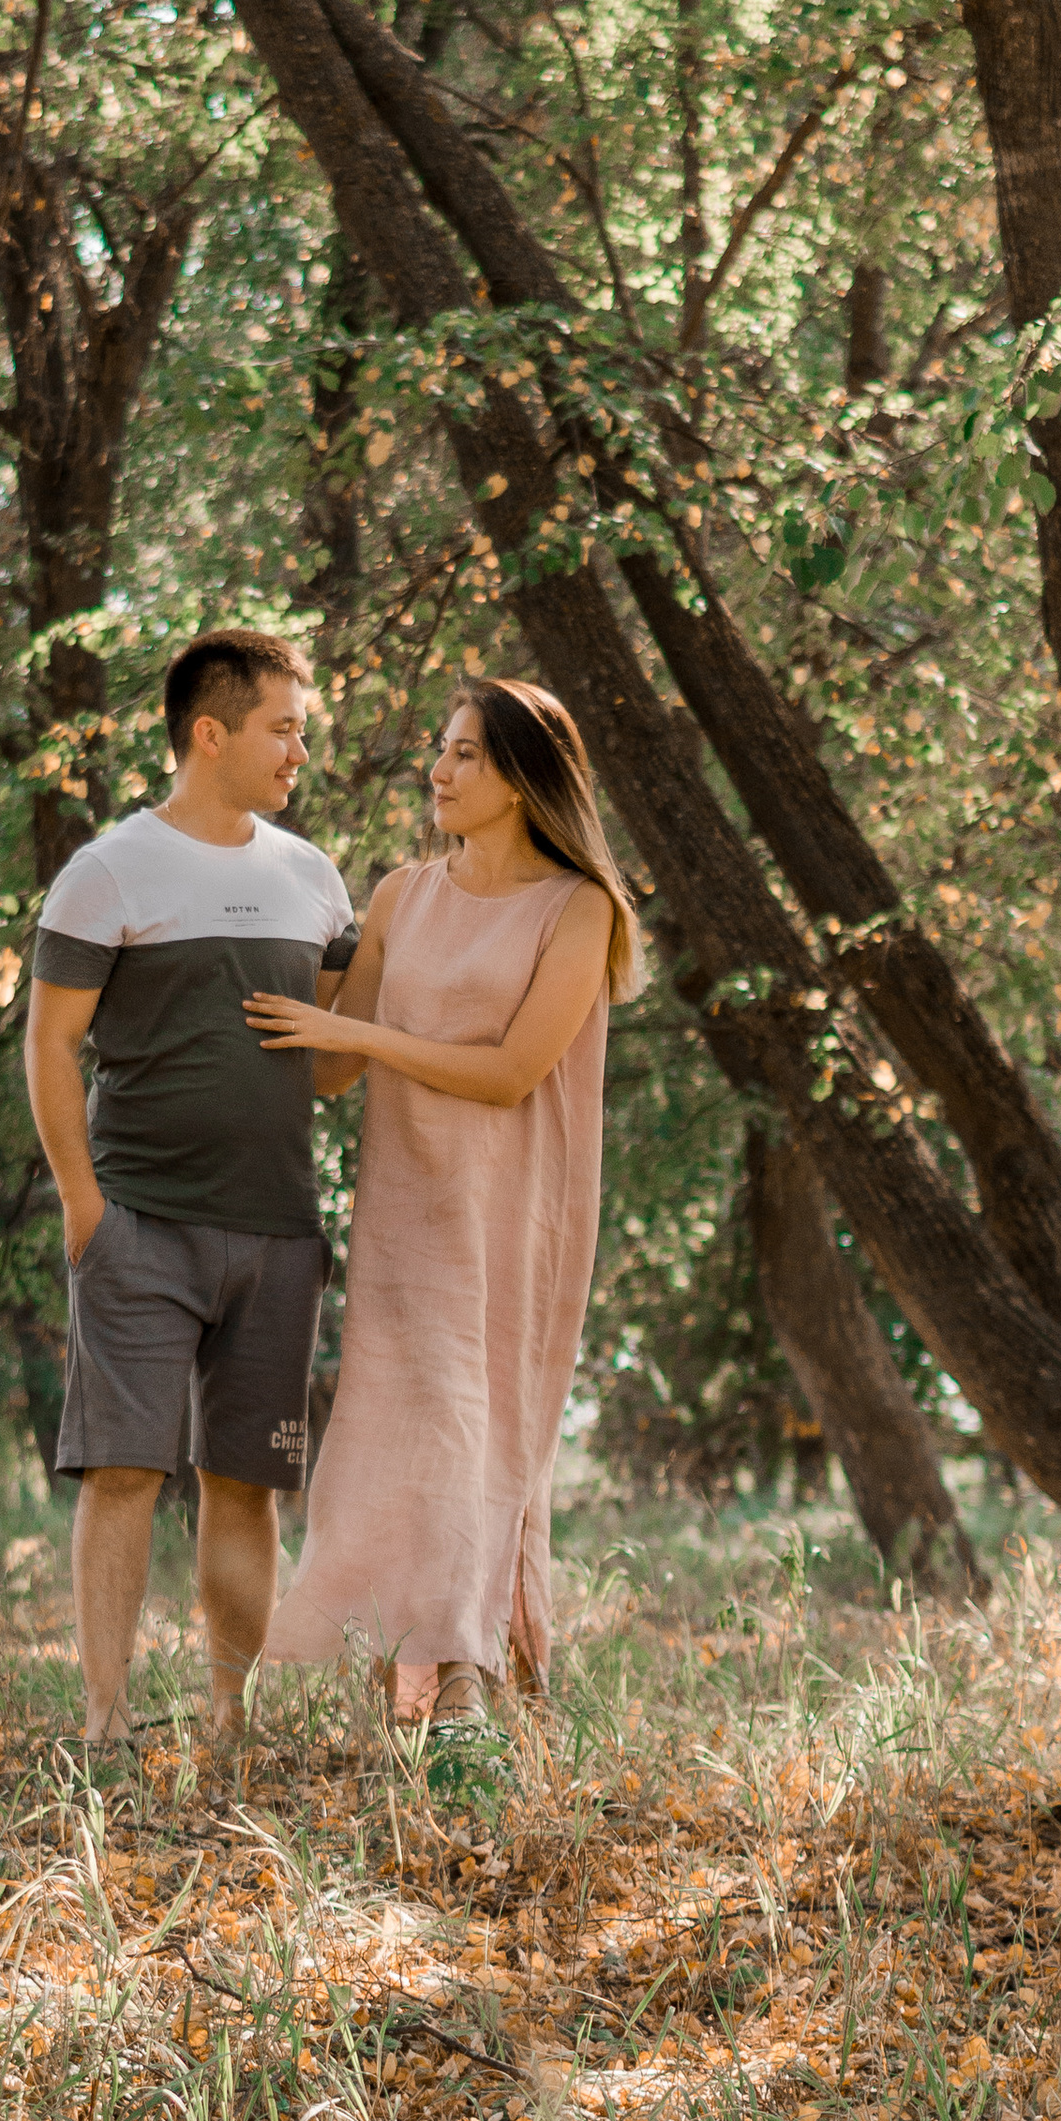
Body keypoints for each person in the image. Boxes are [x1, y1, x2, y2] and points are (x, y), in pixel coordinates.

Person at [244, 678, 642, 1736]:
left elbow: (512, 1072)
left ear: (522, 778)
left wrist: (355, 1040)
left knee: (479, 1429)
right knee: (400, 1431)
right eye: (442, 749)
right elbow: (328, 1070)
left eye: (465, 754)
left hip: (514, 1219)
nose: (439, 770)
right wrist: (254, 958)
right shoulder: (398, 896)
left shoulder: (579, 908)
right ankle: (427, 1676)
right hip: (404, 1212)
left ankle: (465, 1678)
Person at [24, 630, 360, 1751]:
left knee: (243, 1484)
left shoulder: (312, 876)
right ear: (208, 733)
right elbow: (50, 1045)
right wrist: (85, 1207)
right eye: (282, 728)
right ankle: (106, 1723)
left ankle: (227, 1718)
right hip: (140, 1225)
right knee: (122, 1471)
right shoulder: (110, 868)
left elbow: (334, 1062)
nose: (298, 750)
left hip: (279, 1231)